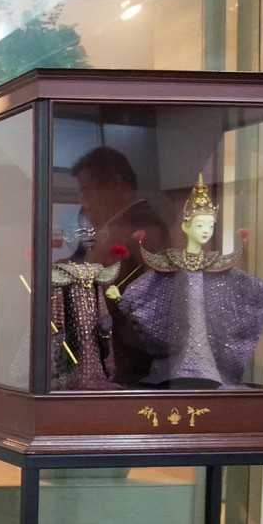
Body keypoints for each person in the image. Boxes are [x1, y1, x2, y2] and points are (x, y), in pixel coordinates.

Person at [112, 175, 263, 388]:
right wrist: (124, 298)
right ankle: (183, 367)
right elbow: (151, 282)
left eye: (210, 226)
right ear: (186, 226)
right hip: (176, 340)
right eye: (200, 225)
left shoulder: (214, 264)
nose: (205, 231)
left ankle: (206, 369)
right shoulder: (172, 262)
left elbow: (238, 282)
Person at [70, 146, 170, 383]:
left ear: (116, 184)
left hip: (129, 363)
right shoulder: (114, 226)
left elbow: (155, 303)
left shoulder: (142, 229)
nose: (84, 203)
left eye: (87, 191)